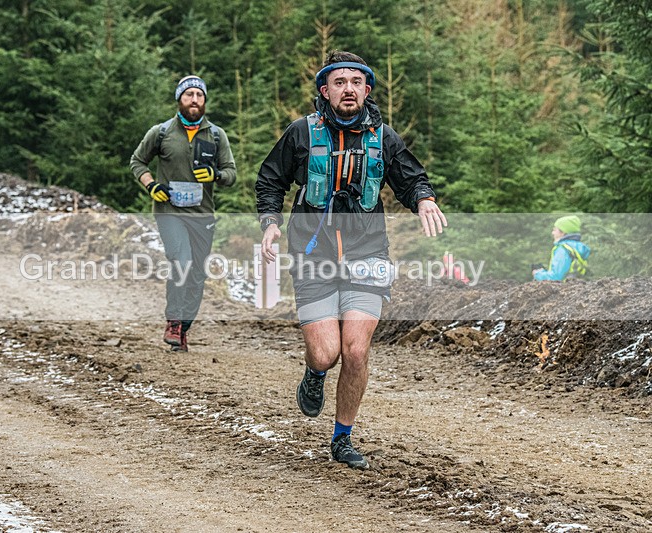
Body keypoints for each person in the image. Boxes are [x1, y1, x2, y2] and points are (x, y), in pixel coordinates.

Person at [255, 51, 446, 469]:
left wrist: (424, 200)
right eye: (339, 82)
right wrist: (269, 222)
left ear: (367, 90)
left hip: (367, 251)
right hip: (313, 251)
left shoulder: (383, 136)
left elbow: (410, 178)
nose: (348, 89)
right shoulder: (302, 133)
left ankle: (342, 438)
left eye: (356, 82)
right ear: (325, 90)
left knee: (356, 351)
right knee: (326, 353)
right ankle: (315, 374)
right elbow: (271, 178)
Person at [130, 75, 236, 352]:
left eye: (199, 95)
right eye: (189, 95)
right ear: (179, 99)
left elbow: (231, 174)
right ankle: (173, 322)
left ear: (204, 101)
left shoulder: (216, 135)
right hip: (169, 212)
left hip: (202, 215)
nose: (194, 100)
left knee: (197, 274)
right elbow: (137, 161)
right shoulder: (162, 132)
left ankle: (184, 328)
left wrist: (216, 174)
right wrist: (151, 185)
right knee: (182, 261)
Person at [532, 215, 590, 281]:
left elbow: (556, 277)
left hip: (565, 289)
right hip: (577, 288)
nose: (552, 233)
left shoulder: (563, 249)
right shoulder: (577, 248)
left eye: (554, 230)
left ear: (563, 232)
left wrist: (538, 274)